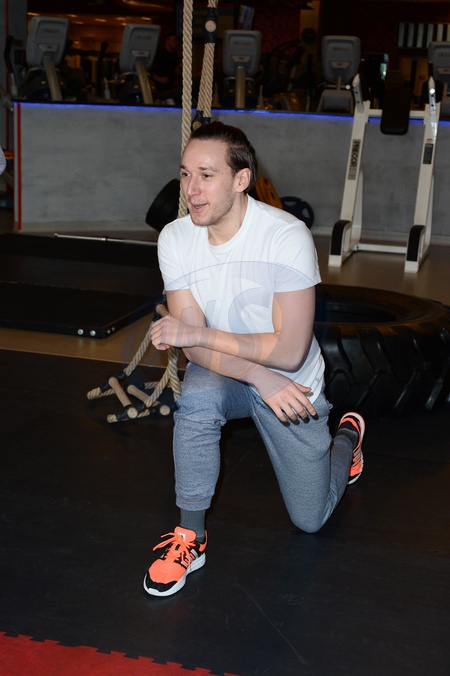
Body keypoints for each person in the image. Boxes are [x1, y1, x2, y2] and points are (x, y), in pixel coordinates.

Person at [143, 121, 365, 598]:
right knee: (197, 397)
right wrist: (255, 375)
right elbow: (196, 351)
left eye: (206, 175)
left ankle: (347, 440)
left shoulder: (286, 235)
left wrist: (200, 335)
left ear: (241, 179)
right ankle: (190, 537)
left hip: (292, 382)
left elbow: (290, 350)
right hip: (231, 372)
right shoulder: (176, 238)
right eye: (185, 174)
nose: (191, 190)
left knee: (310, 520)